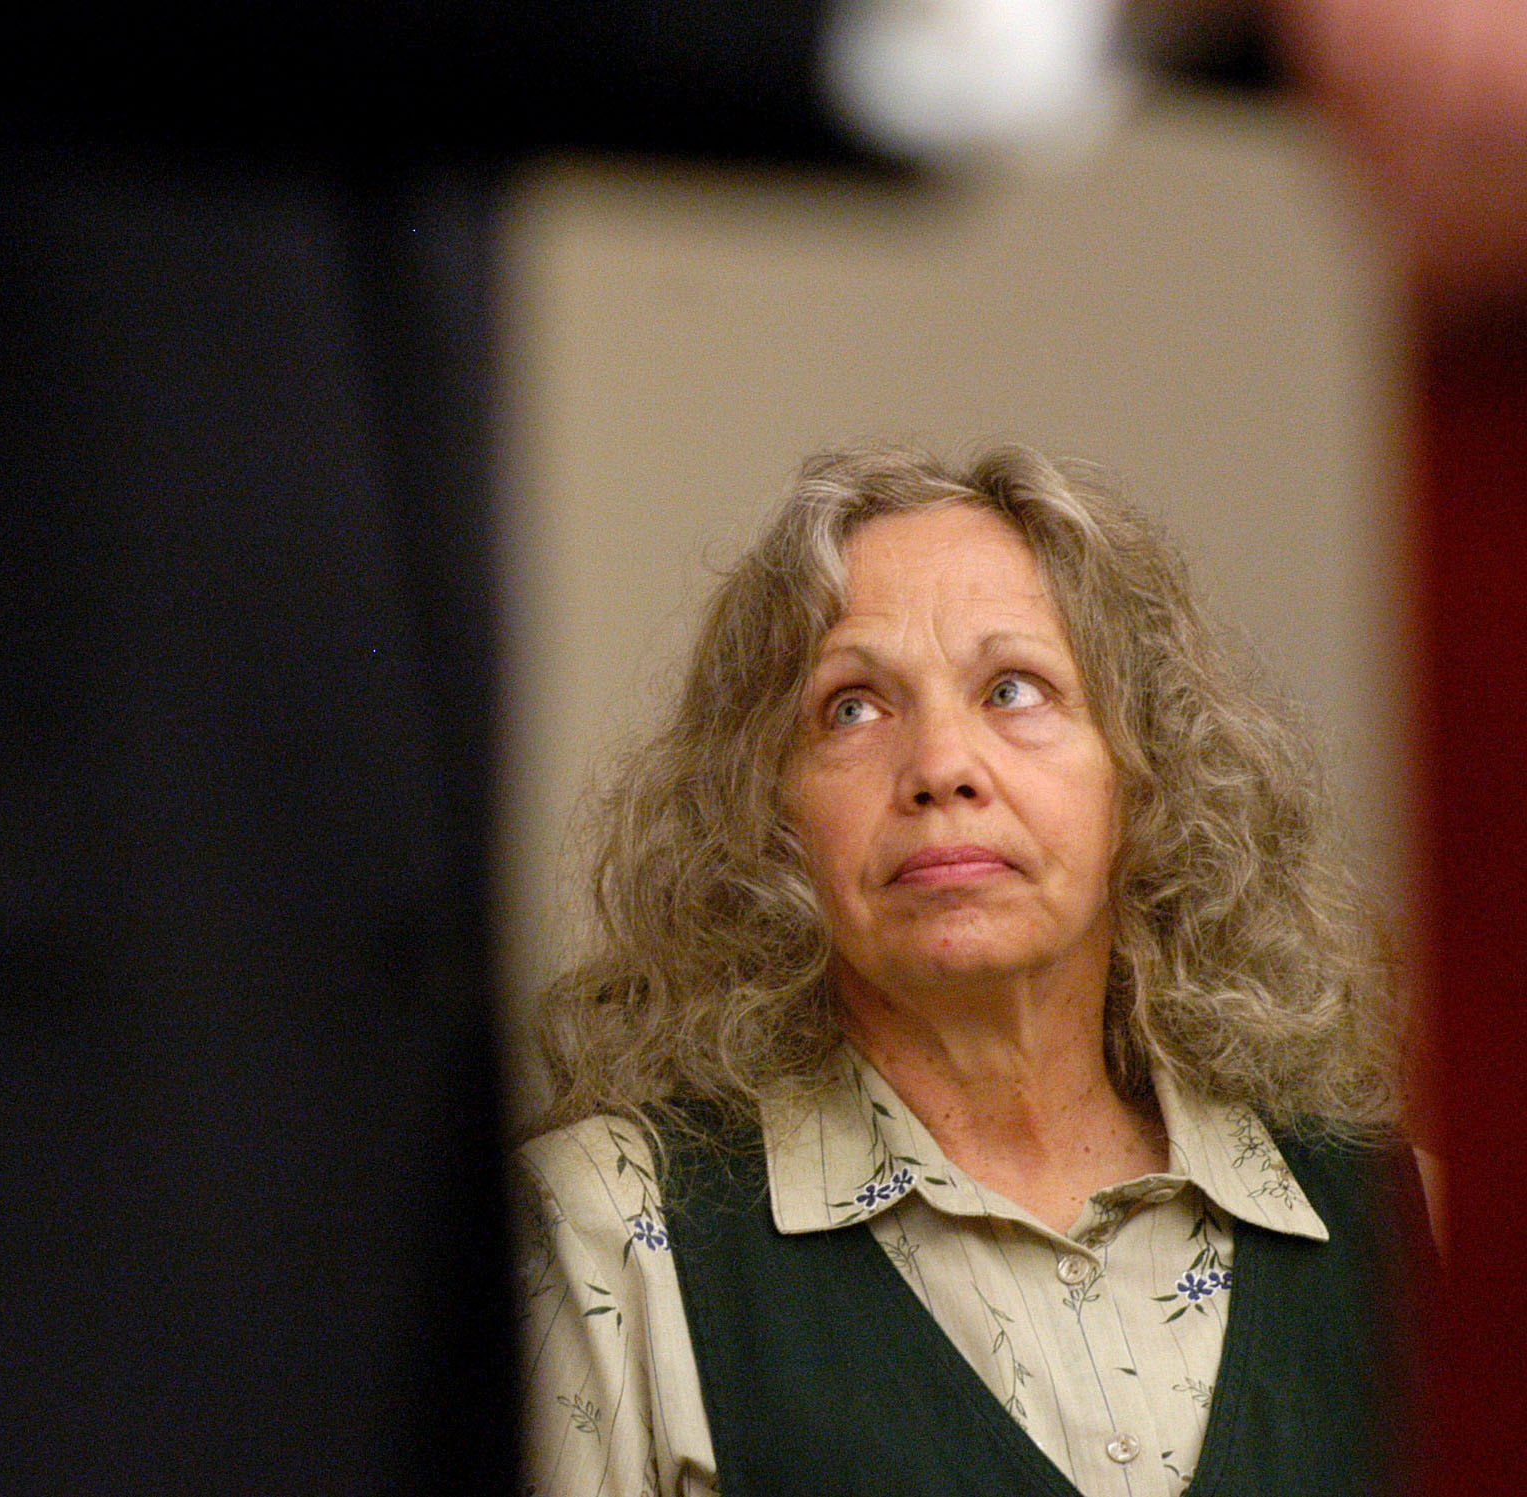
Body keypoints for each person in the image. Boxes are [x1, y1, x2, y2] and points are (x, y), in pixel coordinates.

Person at [516, 445, 1428, 1497]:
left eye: (1013, 689)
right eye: (852, 706)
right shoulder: (604, 1234)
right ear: (766, 817)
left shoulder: (1409, 1226)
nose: (942, 766)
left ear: (1145, 775)